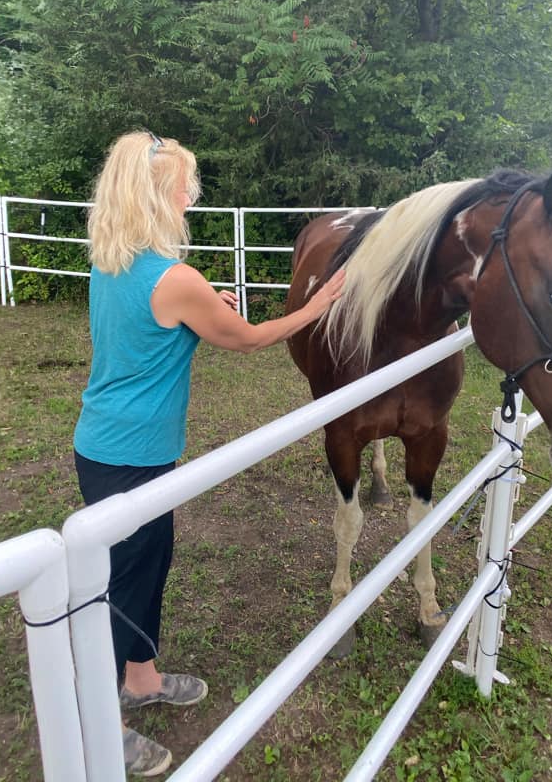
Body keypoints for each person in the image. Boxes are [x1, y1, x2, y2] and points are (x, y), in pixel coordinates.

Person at [73, 129, 345, 777]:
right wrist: (319, 306)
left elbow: (156, 329)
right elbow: (251, 340)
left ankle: (142, 679)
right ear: (155, 196)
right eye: (182, 189)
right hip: (131, 457)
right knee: (123, 582)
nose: (189, 201)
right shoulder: (174, 277)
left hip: (110, 446)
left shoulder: (113, 262)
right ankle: (100, 727)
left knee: (148, 567)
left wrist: (205, 308)